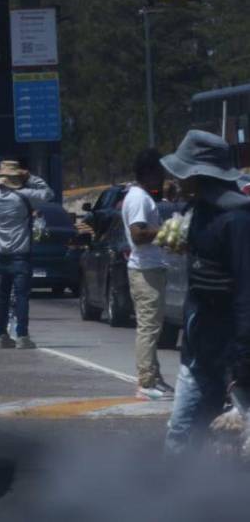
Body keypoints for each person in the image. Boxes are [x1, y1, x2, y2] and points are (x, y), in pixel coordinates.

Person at [160, 131, 250, 458]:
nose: (178, 180)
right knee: (184, 431)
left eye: (184, 173)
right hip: (199, 344)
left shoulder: (236, 220)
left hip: (229, 347)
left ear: (199, 175)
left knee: (228, 440)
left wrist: (243, 354)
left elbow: (245, 289)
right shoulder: (199, 213)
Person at [0, 160, 54, 350]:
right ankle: (22, 336)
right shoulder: (25, 196)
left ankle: (0, 335)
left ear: (0, 178)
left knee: (1, 296)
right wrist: (30, 177)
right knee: (21, 297)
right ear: (18, 178)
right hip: (20, 253)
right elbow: (48, 193)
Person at [121, 149, 174, 401]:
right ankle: (146, 382)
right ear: (149, 172)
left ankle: (155, 377)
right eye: (159, 171)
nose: (162, 177)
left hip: (150, 268)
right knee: (148, 328)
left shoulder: (142, 197)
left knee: (154, 326)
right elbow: (138, 235)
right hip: (145, 269)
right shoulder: (139, 199)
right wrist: (166, 231)